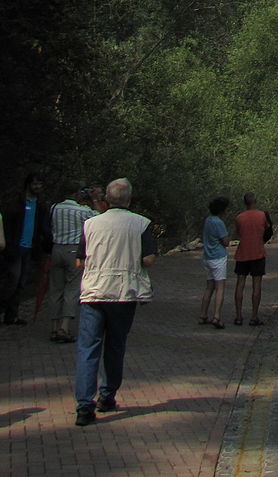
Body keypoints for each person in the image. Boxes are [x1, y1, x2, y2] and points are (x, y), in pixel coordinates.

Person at [73, 178, 156, 427]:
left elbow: (80, 261)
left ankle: (84, 406)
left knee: (88, 349)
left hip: (94, 292)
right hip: (123, 292)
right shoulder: (141, 224)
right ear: (129, 199)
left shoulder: (90, 224)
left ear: (106, 199)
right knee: (115, 346)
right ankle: (107, 395)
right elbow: (149, 259)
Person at [49, 182, 97, 342]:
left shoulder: (54, 208)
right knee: (72, 288)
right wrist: (93, 199)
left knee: (55, 288)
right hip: (73, 250)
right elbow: (99, 218)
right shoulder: (82, 211)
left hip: (56, 249)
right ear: (77, 194)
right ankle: (64, 327)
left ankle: (54, 327)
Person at [1, 173, 50, 325]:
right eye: (35, 184)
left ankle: (12, 315)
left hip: (29, 247)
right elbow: (9, 222)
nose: (38, 187)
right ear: (29, 184)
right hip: (15, 247)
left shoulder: (40, 204)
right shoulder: (17, 202)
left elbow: (43, 227)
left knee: (21, 283)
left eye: (40, 184)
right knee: (12, 281)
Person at [233, 192, 273, 326]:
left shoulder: (239, 217)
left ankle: (238, 316)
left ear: (245, 203)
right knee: (257, 285)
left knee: (240, 284)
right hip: (258, 252)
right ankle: (254, 316)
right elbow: (268, 230)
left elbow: (238, 233)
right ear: (255, 201)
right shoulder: (262, 215)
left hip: (243, 252)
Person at [199, 196, 229, 328]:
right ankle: (216, 316)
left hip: (207, 257)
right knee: (220, 287)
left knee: (209, 287)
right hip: (218, 257)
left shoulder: (207, 220)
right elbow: (226, 241)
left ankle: (203, 314)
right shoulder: (219, 223)